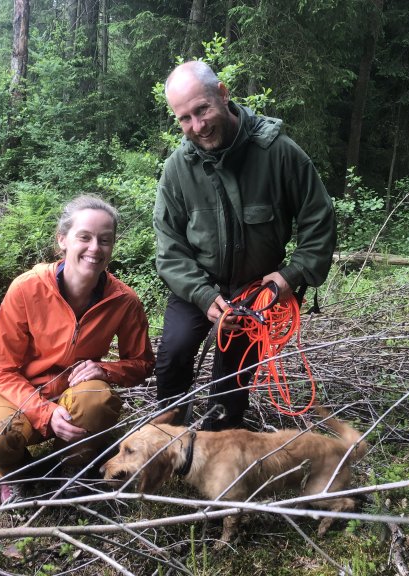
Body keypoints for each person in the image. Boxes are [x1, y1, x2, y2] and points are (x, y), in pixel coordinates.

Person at [153, 61, 336, 430]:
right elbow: (169, 246)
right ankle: (168, 435)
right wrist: (203, 296)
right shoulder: (177, 168)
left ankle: (219, 440)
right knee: (173, 353)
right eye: (185, 118)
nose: (198, 126)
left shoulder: (280, 154)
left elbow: (320, 221)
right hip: (198, 285)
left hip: (257, 290)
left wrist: (288, 277)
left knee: (231, 373)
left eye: (202, 109)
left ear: (223, 94)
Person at [0, 194, 155, 503]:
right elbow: (1, 371)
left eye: (104, 240)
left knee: (96, 401)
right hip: (26, 392)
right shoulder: (27, 289)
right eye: (85, 237)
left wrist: (105, 369)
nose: (95, 248)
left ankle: (73, 466)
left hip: (78, 393)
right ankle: (19, 473)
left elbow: (142, 363)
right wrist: (45, 413)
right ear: (63, 240)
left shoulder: (123, 301)